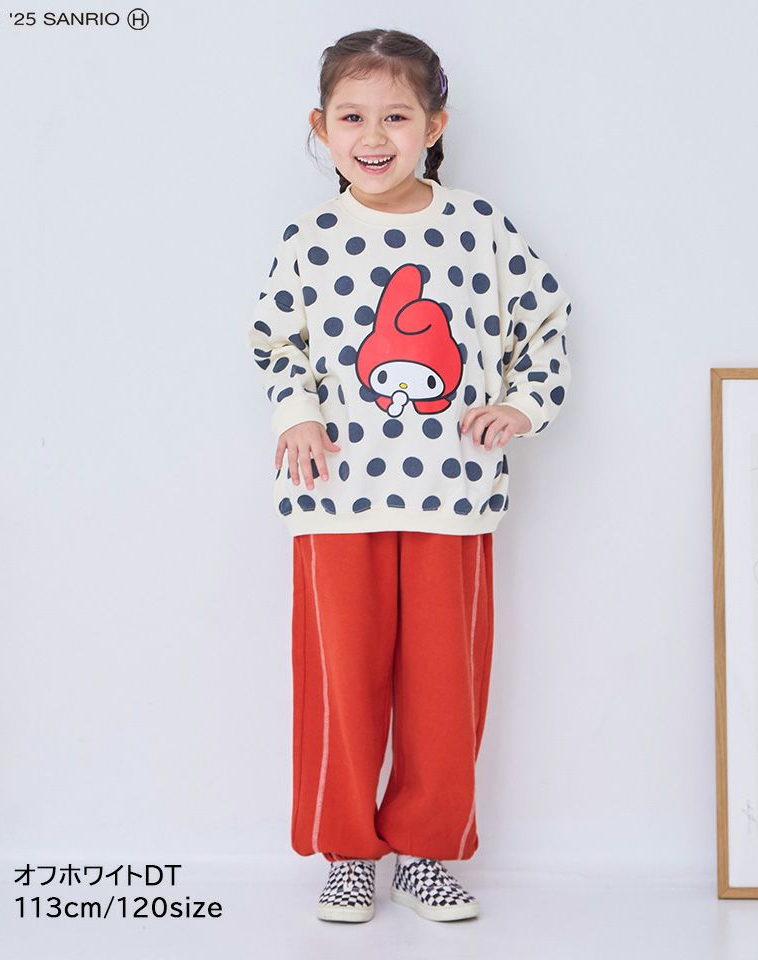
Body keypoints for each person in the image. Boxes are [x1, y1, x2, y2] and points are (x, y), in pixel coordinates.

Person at [246, 28, 572, 924]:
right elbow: (276, 342)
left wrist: (523, 406)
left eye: (396, 116)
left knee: (442, 688)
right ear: (321, 127)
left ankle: (427, 851)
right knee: (341, 684)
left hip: (453, 494)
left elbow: (545, 323)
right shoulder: (310, 237)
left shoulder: (480, 227)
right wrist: (297, 413)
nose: (373, 136)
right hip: (334, 496)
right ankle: (348, 853)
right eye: (351, 117)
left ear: (435, 125)